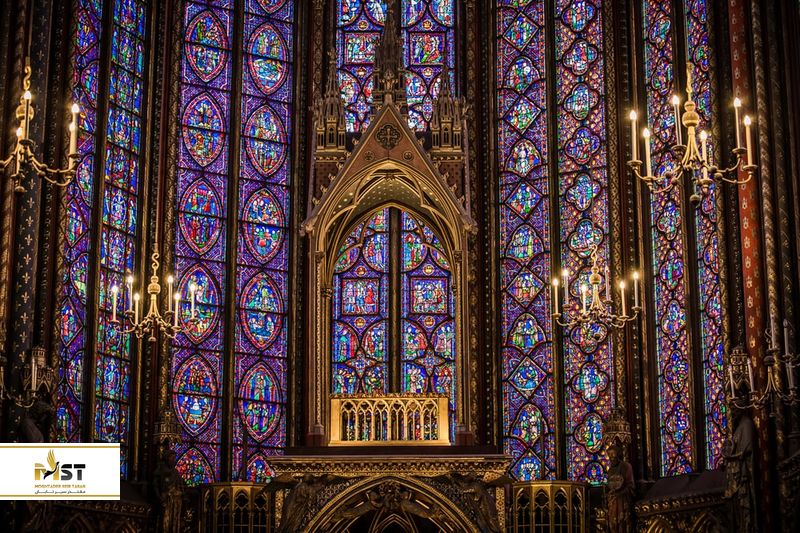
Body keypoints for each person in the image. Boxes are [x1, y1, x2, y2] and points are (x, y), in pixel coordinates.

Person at [606, 444, 635, 533]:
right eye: (609, 455)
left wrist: (620, 493)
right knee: (613, 525)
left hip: (623, 500)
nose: (611, 458)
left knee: (623, 523)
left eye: (613, 454)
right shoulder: (610, 470)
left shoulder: (626, 466)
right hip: (613, 501)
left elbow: (631, 485)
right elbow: (610, 485)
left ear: (618, 454)